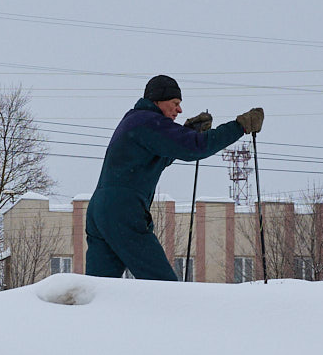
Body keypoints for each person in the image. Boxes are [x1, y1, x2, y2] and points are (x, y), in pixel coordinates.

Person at [84, 74, 263, 280]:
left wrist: (187, 131)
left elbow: (163, 154)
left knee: (97, 288)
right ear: (158, 100)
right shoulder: (149, 121)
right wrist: (239, 126)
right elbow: (196, 147)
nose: (179, 110)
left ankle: (74, 302)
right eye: (175, 103)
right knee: (162, 284)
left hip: (99, 210)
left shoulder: (134, 120)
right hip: (122, 210)